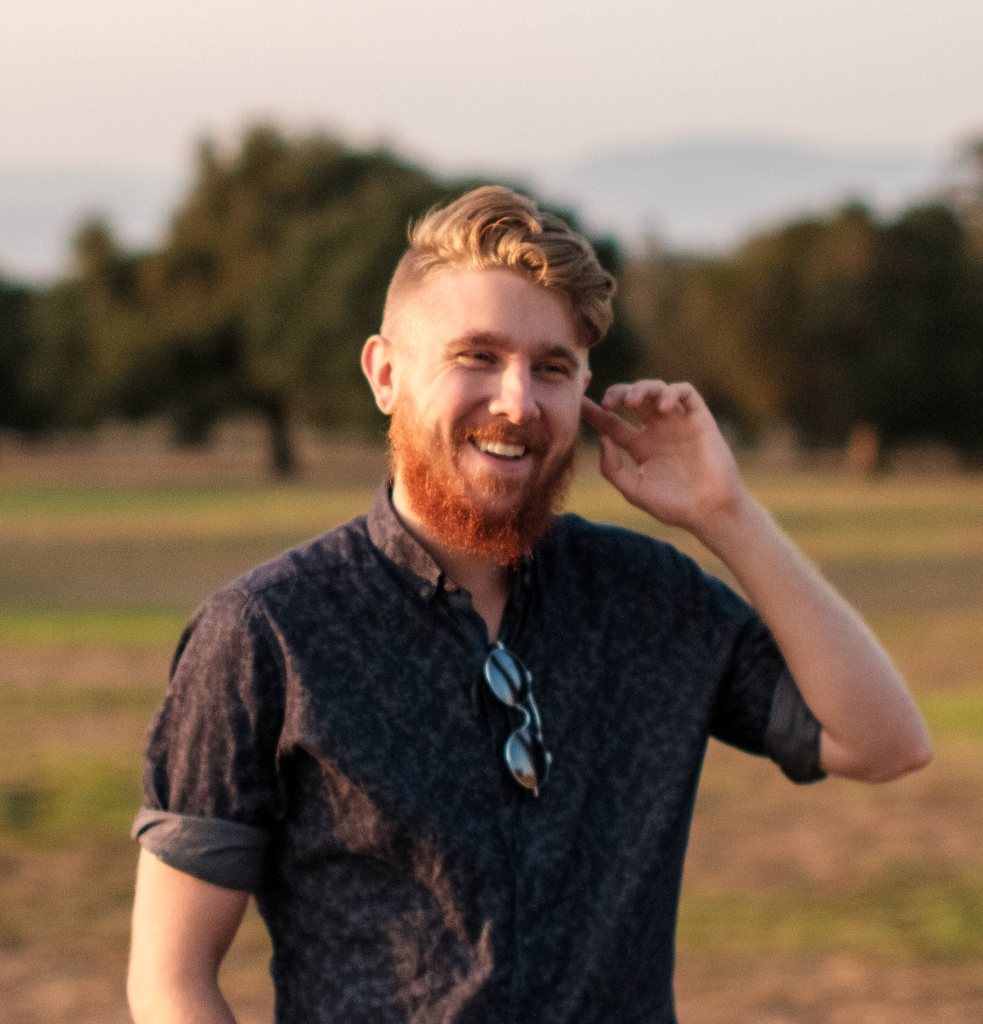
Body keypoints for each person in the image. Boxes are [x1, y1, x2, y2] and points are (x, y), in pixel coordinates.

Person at [127, 186, 932, 1024]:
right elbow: (171, 980)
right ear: (385, 373)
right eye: (476, 356)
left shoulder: (648, 599)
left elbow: (883, 743)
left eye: (551, 368)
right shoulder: (265, 633)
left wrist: (728, 516)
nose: (516, 402)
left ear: (583, 387)